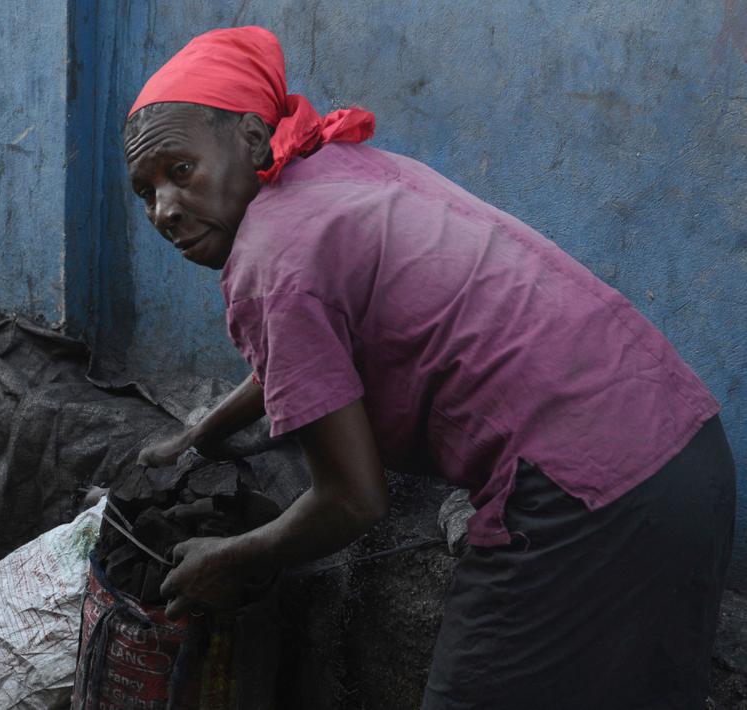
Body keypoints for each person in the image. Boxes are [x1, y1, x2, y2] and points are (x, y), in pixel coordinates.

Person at [125, 26, 735, 708]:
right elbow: (307, 356)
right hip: (685, 451)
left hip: (587, 496)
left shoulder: (270, 258)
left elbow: (352, 500)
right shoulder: (341, 173)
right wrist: (203, 431)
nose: (164, 210)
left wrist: (231, 559)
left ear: (250, 138)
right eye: (145, 192)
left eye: (181, 171)